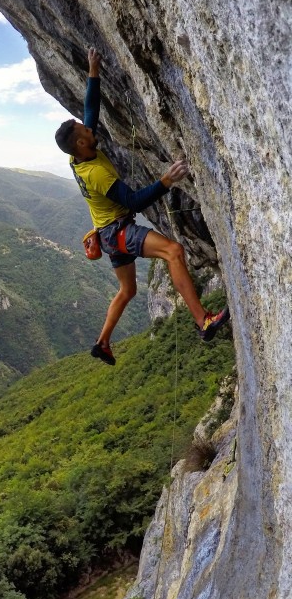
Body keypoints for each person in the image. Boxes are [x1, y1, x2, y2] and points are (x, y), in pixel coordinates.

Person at [54, 47, 229, 365]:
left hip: (107, 235)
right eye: (85, 131)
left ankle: (102, 343)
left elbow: (90, 111)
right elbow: (134, 201)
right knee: (174, 251)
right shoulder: (97, 173)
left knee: (127, 291)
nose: (90, 128)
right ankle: (203, 321)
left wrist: (93, 71)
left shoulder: (77, 155)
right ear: (81, 142)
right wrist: (166, 181)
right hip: (117, 232)